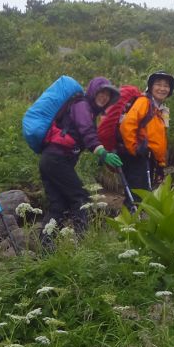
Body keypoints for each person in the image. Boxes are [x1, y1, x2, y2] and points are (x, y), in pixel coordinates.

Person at [39, 76, 121, 234]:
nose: (104, 97)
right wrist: (103, 153)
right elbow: (87, 133)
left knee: (58, 206)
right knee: (81, 199)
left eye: (107, 95)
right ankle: (82, 241)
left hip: (50, 160)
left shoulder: (87, 110)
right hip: (57, 160)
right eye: (101, 93)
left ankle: (45, 249)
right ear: (93, 92)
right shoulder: (82, 105)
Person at [119, 71, 174, 203]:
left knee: (142, 197)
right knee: (137, 197)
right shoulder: (144, 102)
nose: (162, 88)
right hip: (138, 158)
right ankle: (130, 222)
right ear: (150, 86)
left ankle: (133, 222)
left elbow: (159, 140)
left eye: (166, 86)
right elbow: (127, 125)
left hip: (148, 159)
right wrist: (135, 149)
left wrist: (160, 165)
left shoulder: (160, 110)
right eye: (158, 84)